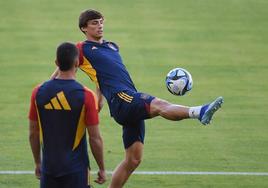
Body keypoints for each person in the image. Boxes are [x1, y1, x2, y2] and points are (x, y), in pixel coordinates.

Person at [52, 10, 224, 188]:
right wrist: (48, 88)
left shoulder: (112, 46)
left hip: (127, 99)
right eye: (94, 23)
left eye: (101, 21)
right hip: (121, 99)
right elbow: (63, 69)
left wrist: (99, 99)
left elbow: (101, 74)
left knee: (133, 159)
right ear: (83, 28)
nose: (100, 25)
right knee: (159, 105)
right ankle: (199, 112)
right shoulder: (81, 48)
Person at [29, 42, 106, 188]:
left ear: (56, 63)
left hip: (49, 169)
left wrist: (38, 162)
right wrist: (102, 168)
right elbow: (95, 138)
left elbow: (33, 132)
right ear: (77, 63)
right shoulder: (86, 96)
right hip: (76, 171)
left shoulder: (38, 92)